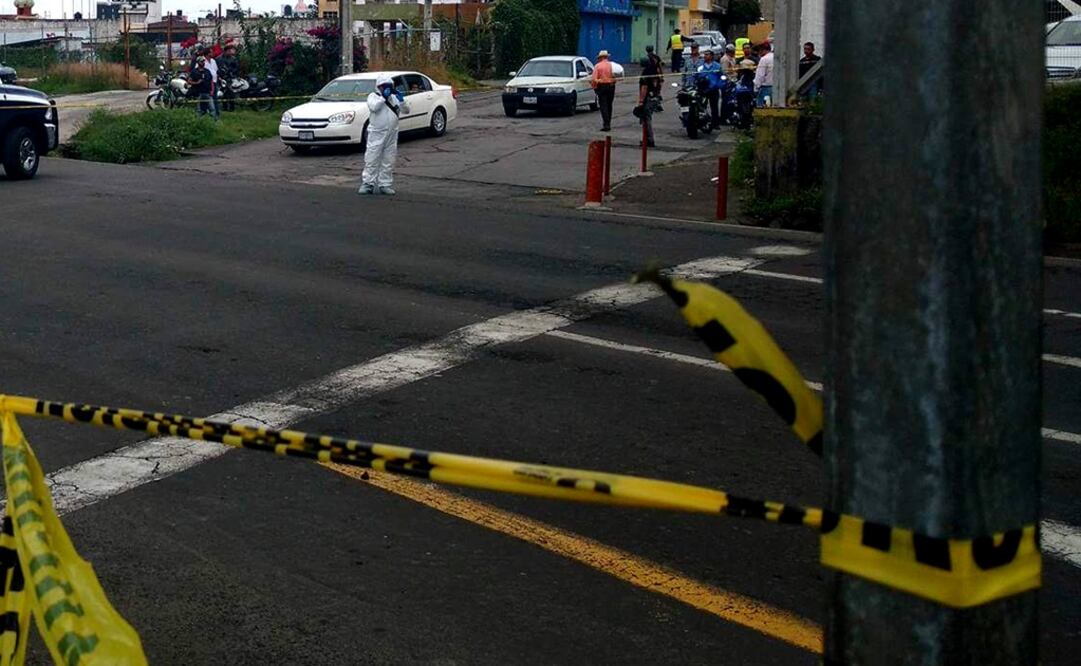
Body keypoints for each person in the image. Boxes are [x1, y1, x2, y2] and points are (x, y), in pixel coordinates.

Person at [358, 74, 409, 196]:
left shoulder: (394, 98)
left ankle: (385, 184)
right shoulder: (373, 97)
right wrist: (383, 98)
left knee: (389, 159)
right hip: (376, 133)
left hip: (392, 133)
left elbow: (406, 110)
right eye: (384, 86)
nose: (387, 89)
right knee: (372, 158)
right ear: (378, 87)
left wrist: (401, 100)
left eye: (389, 86)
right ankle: (367, 183)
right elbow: (374, 107)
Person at [591, 49, 616, 132]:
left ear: (600, 57)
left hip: (602, 86)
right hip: (611, 86)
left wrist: (594, 87)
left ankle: (606, 124)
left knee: (603, 105)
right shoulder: (611, 65)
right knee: (609, 105)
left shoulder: (597, 66)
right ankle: (608, 122)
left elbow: (594, 79)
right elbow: (615, 76)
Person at [699, 48, 723, 129]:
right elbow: (696, 76)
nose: (705, 56)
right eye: (704, 54)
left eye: (707, 54)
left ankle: (715, 123)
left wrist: (718, 85)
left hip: (713, 90)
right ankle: (703, 122)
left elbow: (721, 77)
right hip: (704, 90)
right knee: (702, 106)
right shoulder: (701, 67)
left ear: (712, 56)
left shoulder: (717, 66)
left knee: (714, 107)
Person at [201, 47, 220, 120]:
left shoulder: (213, 61)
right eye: (211, 52)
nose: (213, 53)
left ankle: (216, 114)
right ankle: (206, 114)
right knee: (207, 99)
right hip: (207, 84)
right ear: (207, 53)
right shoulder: (202, 61)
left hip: (214, 82)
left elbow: (216, 71)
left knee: (215, 99)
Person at [754, 41, 774, 107]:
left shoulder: (764, 59)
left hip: (766, 88)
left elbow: (760, 76)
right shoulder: (775, 57)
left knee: (762, 108)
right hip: (776, 89)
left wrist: (756, 87)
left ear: (762, 50)